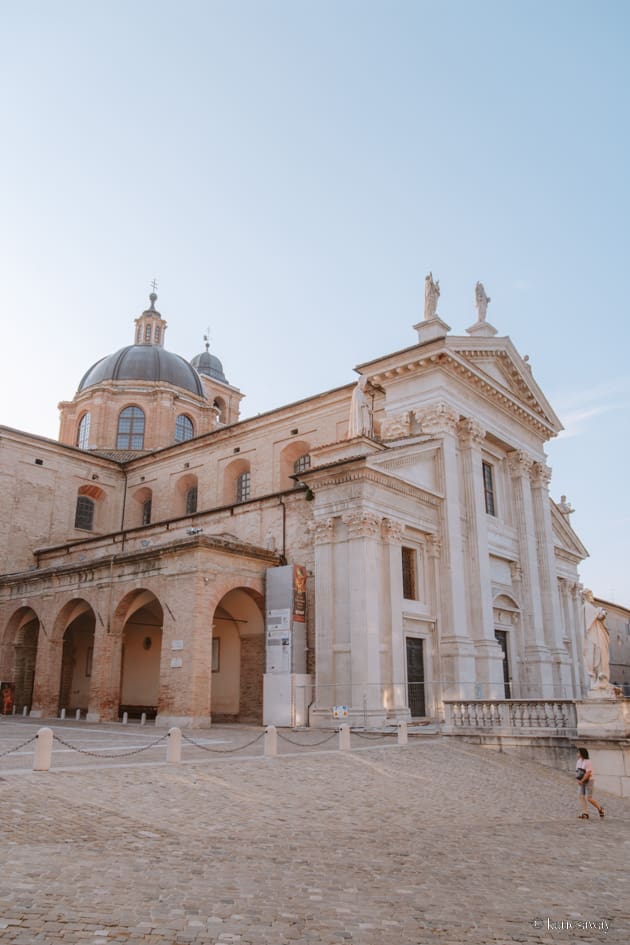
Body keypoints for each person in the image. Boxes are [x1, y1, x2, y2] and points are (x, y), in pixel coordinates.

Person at [576, 747, 605, 819]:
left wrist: (582, 780)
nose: (577, 754)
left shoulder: (588, 761)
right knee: (581, 796)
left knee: (589, 798)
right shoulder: (579, 761)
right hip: (581, 780)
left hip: (589, 780)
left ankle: (600, 808)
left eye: (578, 752)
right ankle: (585, 813)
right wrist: (579, 779)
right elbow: (578, 771)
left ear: (582, 753)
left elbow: (588, 773)